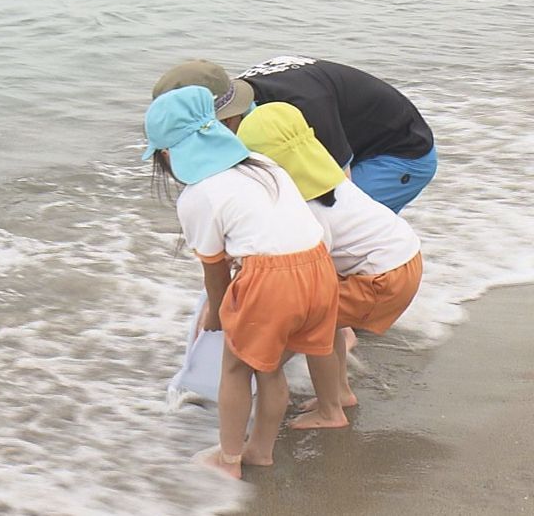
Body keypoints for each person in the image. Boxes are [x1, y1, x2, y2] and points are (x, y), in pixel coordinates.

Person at [144, 86, 340, 479]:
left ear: (168, 154)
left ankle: (229, 458)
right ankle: (260, 451)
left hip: (272, 282)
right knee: (270, 369)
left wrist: (216, 316)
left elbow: (215, 272)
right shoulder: (263, 164)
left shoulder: (198, 195)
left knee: (237, 369)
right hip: (320, 268)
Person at [236, 102, 423, 427]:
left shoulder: (309, 209)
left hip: (383, 278)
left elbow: (310, 273)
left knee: (311, 325)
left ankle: (330, 412)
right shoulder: (333, 184)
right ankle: (339, 393)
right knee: (329, 317)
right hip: (403, 260)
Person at [151, 56, 436, 213]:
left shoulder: (302, 107)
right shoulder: (230, 93)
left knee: (329, 225)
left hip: (400, 153)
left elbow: (339, 190)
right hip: (356, 136)